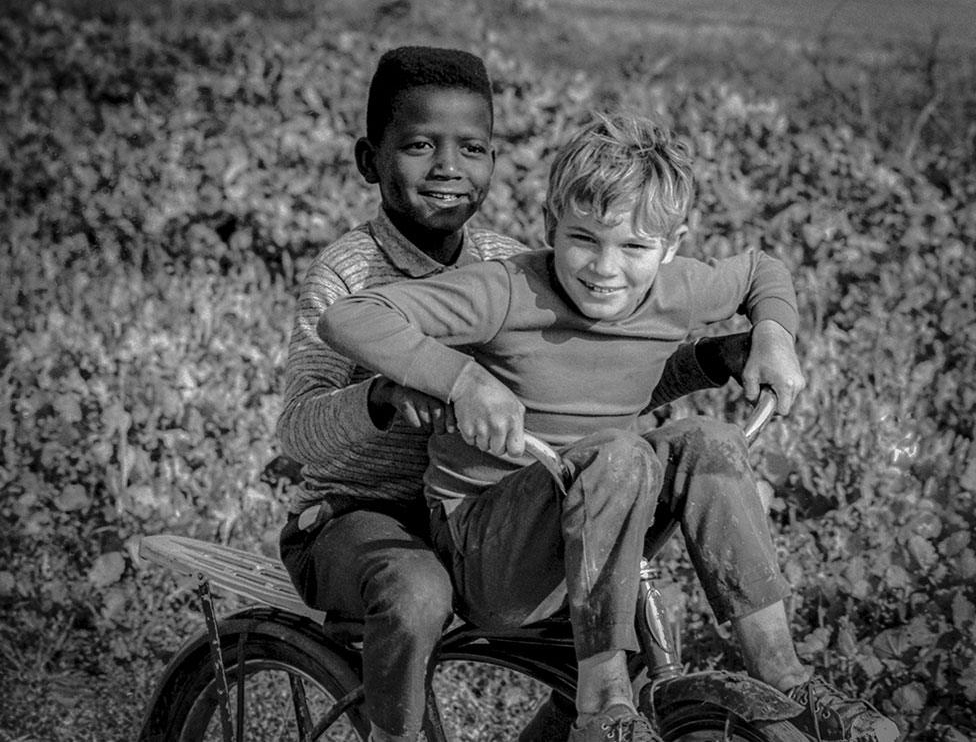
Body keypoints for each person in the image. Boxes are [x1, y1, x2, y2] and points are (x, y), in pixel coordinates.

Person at [318, 113, 900, 742]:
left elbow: (762, 270)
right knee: (619, 455)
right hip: (493, 555)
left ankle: (785, 677)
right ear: (548, 226)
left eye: (633, 247)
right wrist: (464, 381)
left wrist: (774, 335)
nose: (604, 268)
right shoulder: (506, 291)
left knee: (711, 440)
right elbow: (353, 315)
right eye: (582, 239)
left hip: (604, 539)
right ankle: (602, 702)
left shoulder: (678, 290)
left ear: (672, 245)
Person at [276, 46, 776, 742]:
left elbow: (595, 387)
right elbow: (296, 431)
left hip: (495, 507)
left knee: (620, 624)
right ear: (370, 161)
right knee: (418, 590)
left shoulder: (512, 263)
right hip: (361, 514)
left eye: (472, 148)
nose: (448, 167)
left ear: (493, 161)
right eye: (419, 146)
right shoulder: (346, 273)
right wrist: (385, 399)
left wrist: (710, 360)